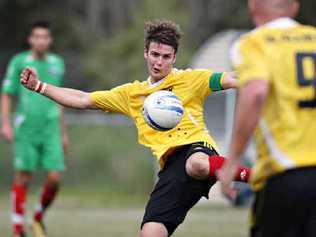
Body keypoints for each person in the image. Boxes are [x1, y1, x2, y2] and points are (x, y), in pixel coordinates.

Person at [20, 20, 250, 237]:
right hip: (170, 168)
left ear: (174, 57)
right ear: (146, 53)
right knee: (150, 232)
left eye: (166, 56)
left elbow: (231, 78)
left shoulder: (192, 79)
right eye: (155, 55)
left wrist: (261, 80)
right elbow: (83, 99)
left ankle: (256, 177)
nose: (159, 62)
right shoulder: (132, 95)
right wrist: (39, 86)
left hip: (198, 149)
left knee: (196, 164)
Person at [218, 0, 316, 236]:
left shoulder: (253, 43)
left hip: (285, 173)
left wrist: (231, 162)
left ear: (253, 7)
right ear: (294, 7)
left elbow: (256, 92)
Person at [1, 21, 68, 237]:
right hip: (26, 129)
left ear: (50, 40)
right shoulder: (19, 61)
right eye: (36, 36)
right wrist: (5, 123)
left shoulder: (57, 63)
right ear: (31, 39)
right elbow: (7, 93)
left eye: (45, 37)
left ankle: (37, 217)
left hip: (51, 129)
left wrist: (63, 132)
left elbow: (60, 98)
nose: (41, 40)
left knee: (55, 178)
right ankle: (18, 229)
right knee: (24, 177)